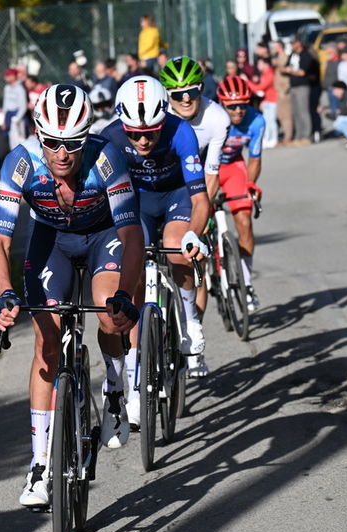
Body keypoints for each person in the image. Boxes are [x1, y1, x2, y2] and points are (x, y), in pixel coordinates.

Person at [0, 84, 144, 506]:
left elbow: (131, 235)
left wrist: (127, 295)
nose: (62, 153)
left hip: (102, 235)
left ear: (86, 136)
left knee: (110, 316)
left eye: (73, 143)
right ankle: (39, 464)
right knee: (46, 342)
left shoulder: (106, 157)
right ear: (39, 134)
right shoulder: (20, 163)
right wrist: (4, 294)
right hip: (51, 240)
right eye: (53, 142)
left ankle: (115, 389)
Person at [100, 75, 209, 426]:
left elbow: (200, 199)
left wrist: (194, 235)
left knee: (176, 249)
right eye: (135, 133)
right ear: (122, 124)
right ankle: (134, 377)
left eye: (151, 131)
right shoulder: (110, 137)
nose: (144, 139)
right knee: (129, 277)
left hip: (176, 196)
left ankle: (190, 322)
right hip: (138, 203)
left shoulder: (181, 132)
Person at [158, 56, 231, 377]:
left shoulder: (216, 119)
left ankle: (191, 330)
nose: (186, 99)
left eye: (192, 91)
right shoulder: (158, 116)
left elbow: (211, 174)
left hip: (197, 188)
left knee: (191, 256)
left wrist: (202, 216)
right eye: (177, 94)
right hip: (163, 187)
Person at [216, 76, 265, 313]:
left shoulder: (256, 121)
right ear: (221, 103)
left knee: (244, 222)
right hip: (209, 169)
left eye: (242, 105)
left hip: (234, 167)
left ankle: (246, 284)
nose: (237, 110)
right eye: (231, 105)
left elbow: (254, 159)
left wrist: (251, 185)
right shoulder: (212, 117)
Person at [282, 36, 314, 145]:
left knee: (303, 111)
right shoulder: (292, 55)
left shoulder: (306, 55)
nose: (291, 45)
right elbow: (285, 68)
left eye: (293, 43)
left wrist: (291, 71)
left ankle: (307, 135)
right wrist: (291, 70)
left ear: (299, 43)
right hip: (293, 86)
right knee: (295, 112)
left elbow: (302, 72)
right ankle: (298, 136)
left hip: (302, 86)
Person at [248, 57, 278, 149]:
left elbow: (259, 88)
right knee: (267, 121)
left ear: (266, 64)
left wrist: (247, 81)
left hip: (272, 101)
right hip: (267, 101)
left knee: (271, 121)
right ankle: (267, 138)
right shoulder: (264, 74)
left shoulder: (270, 74)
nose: (258, 66)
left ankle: (274, 139)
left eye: (260, 64)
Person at [271, 40, 293, 144]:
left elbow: (287, 75)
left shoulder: (284, 57)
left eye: (275, 46)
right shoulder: (277, 58)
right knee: (280, 114)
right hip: (279, 90)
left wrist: (284, 90)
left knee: (286, 115)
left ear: (280, 47)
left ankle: (288, 137)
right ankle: (285, 135)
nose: (273, 48)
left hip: (284, 90)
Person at [2, 68, 28, 151]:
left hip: (17, 116)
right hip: (8, 115)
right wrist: (4, 119)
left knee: (19, 140)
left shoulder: (20, 88)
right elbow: (5, 104)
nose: (7, 77)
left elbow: (23, 106)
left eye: (9, 75)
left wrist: (17, 119)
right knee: (11, 141)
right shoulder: (7, 88)